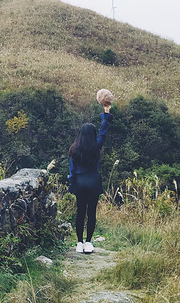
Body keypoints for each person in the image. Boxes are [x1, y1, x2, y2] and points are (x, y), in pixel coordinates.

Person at [67, 104, 113, 254]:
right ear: (92, 135)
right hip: (93, 182)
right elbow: (102, 133)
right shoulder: (96, 147)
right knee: (91, 213)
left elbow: (72, 170)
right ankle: (88, 243)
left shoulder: (74, 149)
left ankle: (79, 243)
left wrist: (71, 184)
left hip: (80, 184)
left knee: (80, 212)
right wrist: (106, 113)